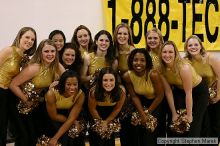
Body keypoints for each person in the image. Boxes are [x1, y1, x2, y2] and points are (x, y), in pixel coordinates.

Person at [10, 39, 65, 145]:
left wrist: (57, 83)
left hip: (37, 105)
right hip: (22, 106)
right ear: (40, 53)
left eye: (52, 51)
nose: (50, 54)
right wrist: (26, 100)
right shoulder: (34, 68)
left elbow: (68, 77)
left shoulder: (55, 66)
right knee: (25, 137)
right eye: (46, 51)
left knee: (37, 137)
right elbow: (13, 84)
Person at [159, 41, 209, 145]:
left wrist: (190, 115)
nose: (167, 55)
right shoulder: (161, 69)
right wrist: (173, 113)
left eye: (170, 52)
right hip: (180, 91)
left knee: (194, 124)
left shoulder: (183, 67)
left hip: (199, 91)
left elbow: (189, 93)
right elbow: (168, 91)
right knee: (177, 123)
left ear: (175, 53)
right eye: (164, 52)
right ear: (161, 53)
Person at [0, 27, 37, 146]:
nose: (30, 41)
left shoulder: (23, 57)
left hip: (7, 94)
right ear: (19, 37)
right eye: (27, 37)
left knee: (5, 127)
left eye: (32, 39)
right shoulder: (9, 50)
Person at [122, 48, 164, 146]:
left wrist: (148, 113)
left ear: (147, 62)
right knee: (137, 128)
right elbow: (134, 96)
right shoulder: (127, 76)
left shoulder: (153, 74)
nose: (138, 63)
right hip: (142, 101)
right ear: (131, 61)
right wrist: (142, 114)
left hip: (157, 102)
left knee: (150, 132)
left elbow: (160, 95)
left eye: (142, 60)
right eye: (135, 60)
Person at [184, 35, 220, 145]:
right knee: (204, 126)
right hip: (199, 98)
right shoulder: (185, 62)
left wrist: (218, 95)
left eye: (196, 44)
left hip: (214, 96)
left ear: (201, 46)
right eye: (190, 45)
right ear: (186, 48)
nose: (193, 47)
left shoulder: (210, 58)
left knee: (216, 125)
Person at [88, 67, 126, 146]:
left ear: (116, 80)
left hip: (111, 114)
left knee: (110, 141)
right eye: (105, 80)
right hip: (96, 115)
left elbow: (117, 108)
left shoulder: (121, 91)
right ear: (100, 81)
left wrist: (106, 121)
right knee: (97, 140)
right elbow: (92, 109)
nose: (108, 83)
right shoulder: (94, 92)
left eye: (111, 80)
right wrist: (101, 122)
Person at [46, 70, 85, 146]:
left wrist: (73, 121)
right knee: (63, 137)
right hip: (52, 117)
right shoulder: (51, 94)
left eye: (75, 84)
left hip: (69, 115)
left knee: (77, 134)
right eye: (68, 84)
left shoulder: (81, 94)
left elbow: (72, 117)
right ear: (63, 84)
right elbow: (54, 116)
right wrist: (55, 138)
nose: (72, 87)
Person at [145, 27, 167, 138]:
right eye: (149, 38)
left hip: (167, 93)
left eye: (155, 38)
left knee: (163, 125)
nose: (152, 40)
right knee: (153, 126)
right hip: (152, 95)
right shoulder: (145, 55)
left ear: (160, 39)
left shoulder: (165, 54)